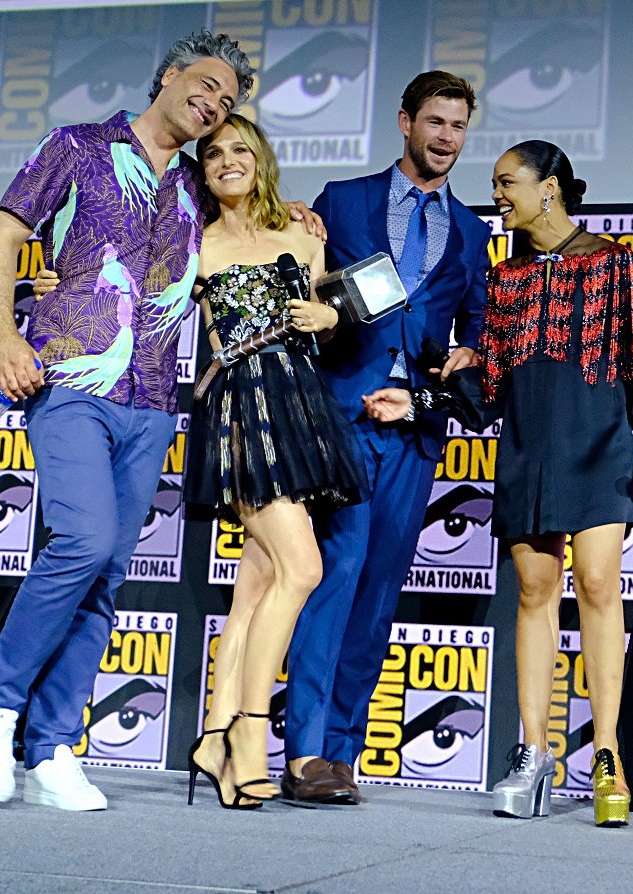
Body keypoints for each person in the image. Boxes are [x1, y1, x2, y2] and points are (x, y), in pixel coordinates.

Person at [0, 32, 255, 812]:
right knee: (81, 541)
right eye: (206, 85)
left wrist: (300, 225)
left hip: (153, 401)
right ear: (168, 74)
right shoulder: (80, 145)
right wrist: (7, 336)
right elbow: (4, 233)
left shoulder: (196, 187)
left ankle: (52, 748)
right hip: (73, 379)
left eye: (227, 101)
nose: (214, 104)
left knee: (106, 578)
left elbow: (242, 252)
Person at [365, 140, 633, 828]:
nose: (497, 195)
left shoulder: (614, 263)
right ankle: (533, 752)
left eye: (508, 183)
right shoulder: (505, 277)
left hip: (599, 449)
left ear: (551, 188)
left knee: (598, 587)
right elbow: (490, 393)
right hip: (528, 452)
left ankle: (606, 756)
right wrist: (417, 403)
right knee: (535, 593)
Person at [280, 71, 491, 805]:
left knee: (374, 596)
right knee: (334, 578)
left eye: (458, 127)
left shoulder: (472, 230)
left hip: (414, 431)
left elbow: (479, 334)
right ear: (405, 121)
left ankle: (342, 753)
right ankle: (303, 751)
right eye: (435, 122)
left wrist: (458, 365)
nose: (446, 139)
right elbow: (297, 284)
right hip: (339, 417)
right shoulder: (342, 200)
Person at [180, 113, 368, 809]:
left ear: (259, 160)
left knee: (255, 587)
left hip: (301, 410)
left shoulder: (301, 233)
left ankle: (213, 736)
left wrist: (329, 316)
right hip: (242, 414)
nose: (227, 161)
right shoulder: (193, 244)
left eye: (239, 150)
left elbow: (328, 313)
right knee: (303, 568)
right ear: (201, 172)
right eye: (213, 154)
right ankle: (250, 736)